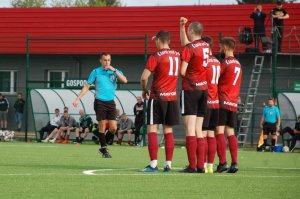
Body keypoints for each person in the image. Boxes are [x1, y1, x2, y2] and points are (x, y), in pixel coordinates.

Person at [73, 52, 127, 158]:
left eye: (108, 60)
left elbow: (125, 80)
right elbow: (87, 86)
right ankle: (104, 150)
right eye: (105, 60)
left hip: (111, 102)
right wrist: (78, 99)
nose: (107, 62)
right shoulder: (96, 71)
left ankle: (103, 145)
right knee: (102, 125)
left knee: (113, 128)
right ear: (101, 61)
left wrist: (114, 70)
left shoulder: (115, 71)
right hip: (99, 101)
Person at [140, 30, 180, 172]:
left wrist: (144, 90)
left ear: (158, 40)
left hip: (157, 98)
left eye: (155, 41)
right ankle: (168, 165)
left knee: (152, 129)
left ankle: (153, 165)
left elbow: (144, 77)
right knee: (168, 130)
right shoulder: (177, 55)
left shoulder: (156, 56)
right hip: (172, 98)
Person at [179, 17, 209, 173]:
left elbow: (182, 71)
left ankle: (192, 166)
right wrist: (182, 26)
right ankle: (200, 166)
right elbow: (187, 45)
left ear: (191, 32)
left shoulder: (189, 48)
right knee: (198, 130)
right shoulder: (206, 45)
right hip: (204, 89)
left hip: (191, 89)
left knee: (189, 130)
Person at [215, 37, 242, 173]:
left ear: (225, 48)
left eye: (220, 46)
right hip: (233, 102)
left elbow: (215, 77)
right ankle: (235, 163)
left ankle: (222, 162)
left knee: (219, 131)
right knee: (230, 132)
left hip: (222, 100)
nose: (220, 49)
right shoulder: (238, 64)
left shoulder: (225, 63)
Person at [200, 36, 220, 174]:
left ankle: (200, 164)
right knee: (211, 135)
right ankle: (210, 165)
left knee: (202, 134)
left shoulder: (204, 62)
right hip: (216, 103)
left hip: (205, 102)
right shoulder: (218, 62)